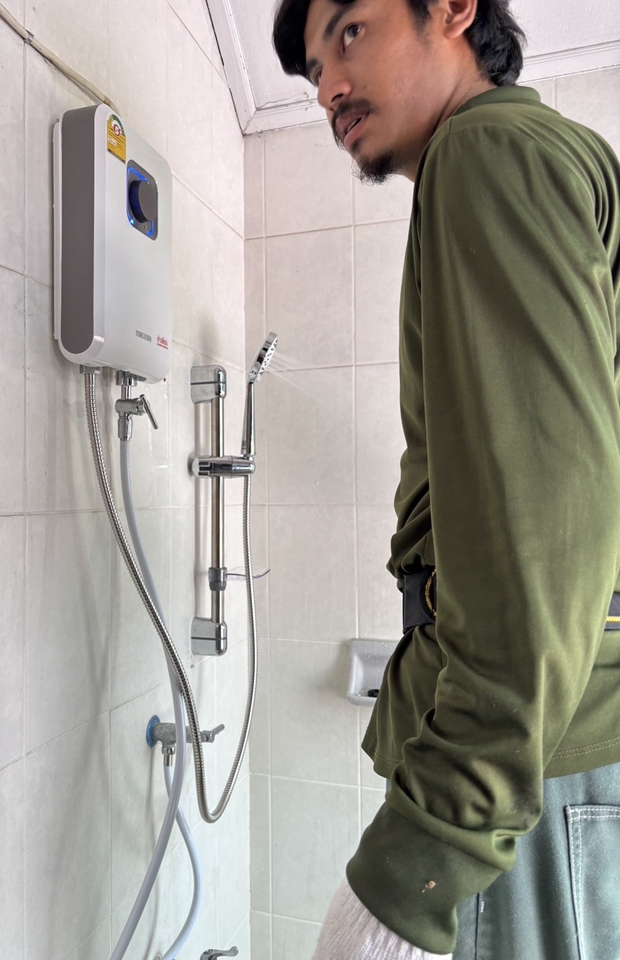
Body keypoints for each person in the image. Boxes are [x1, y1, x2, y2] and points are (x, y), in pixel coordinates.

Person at [272, 1, 620, 958]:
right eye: (312, 70)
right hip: (561, 746)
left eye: (350, 31)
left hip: (528, 771)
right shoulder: (557, 155)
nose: (329, 87)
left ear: (456, 10)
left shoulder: (487, 153)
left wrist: (422, 860)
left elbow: (542, 534)